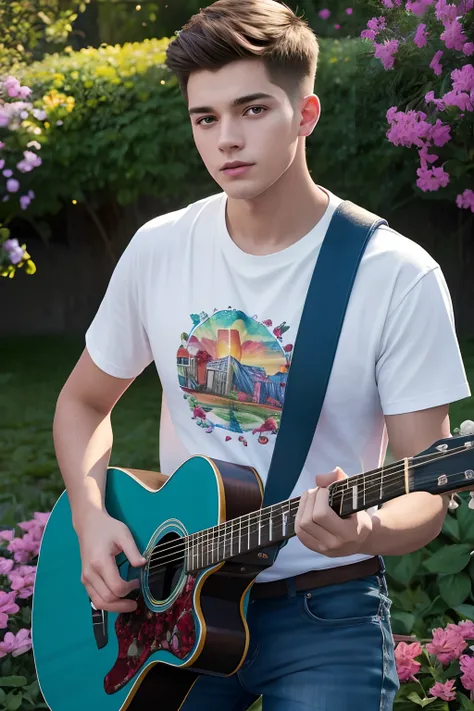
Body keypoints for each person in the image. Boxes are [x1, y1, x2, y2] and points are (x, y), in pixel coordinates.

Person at [52, 0, 471, 708]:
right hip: (169, 604)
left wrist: (362, 528)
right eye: (205, 118)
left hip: (322, 612)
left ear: (305, 114)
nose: (226, 140)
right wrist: (92, 520)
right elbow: (82, 401)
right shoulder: (160, 249)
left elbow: (426, 499)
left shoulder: (395, 275)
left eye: (252, 110)